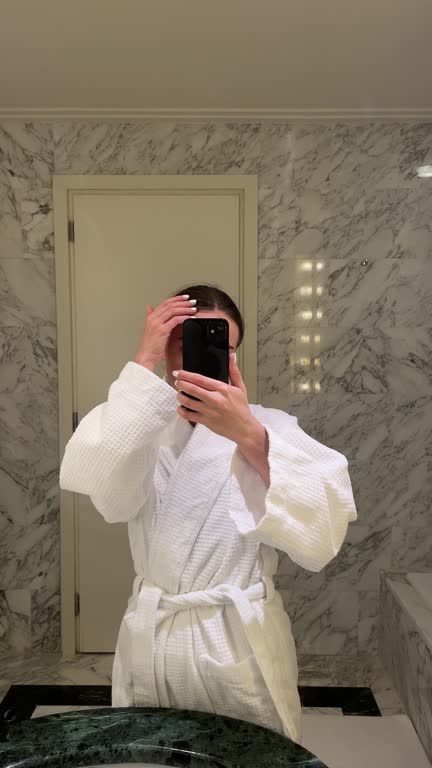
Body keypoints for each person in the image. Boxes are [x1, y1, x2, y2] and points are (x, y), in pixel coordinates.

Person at [59, 284, 358, 744]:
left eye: (222, 346)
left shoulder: (269, 428)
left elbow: (323, 527)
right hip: (155, 641)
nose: (198, 357)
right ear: (164, 345)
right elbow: (101, 487)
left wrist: (249, 436)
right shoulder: (137, 425)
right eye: (182, 342)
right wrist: (142, 362)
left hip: (237, 645)